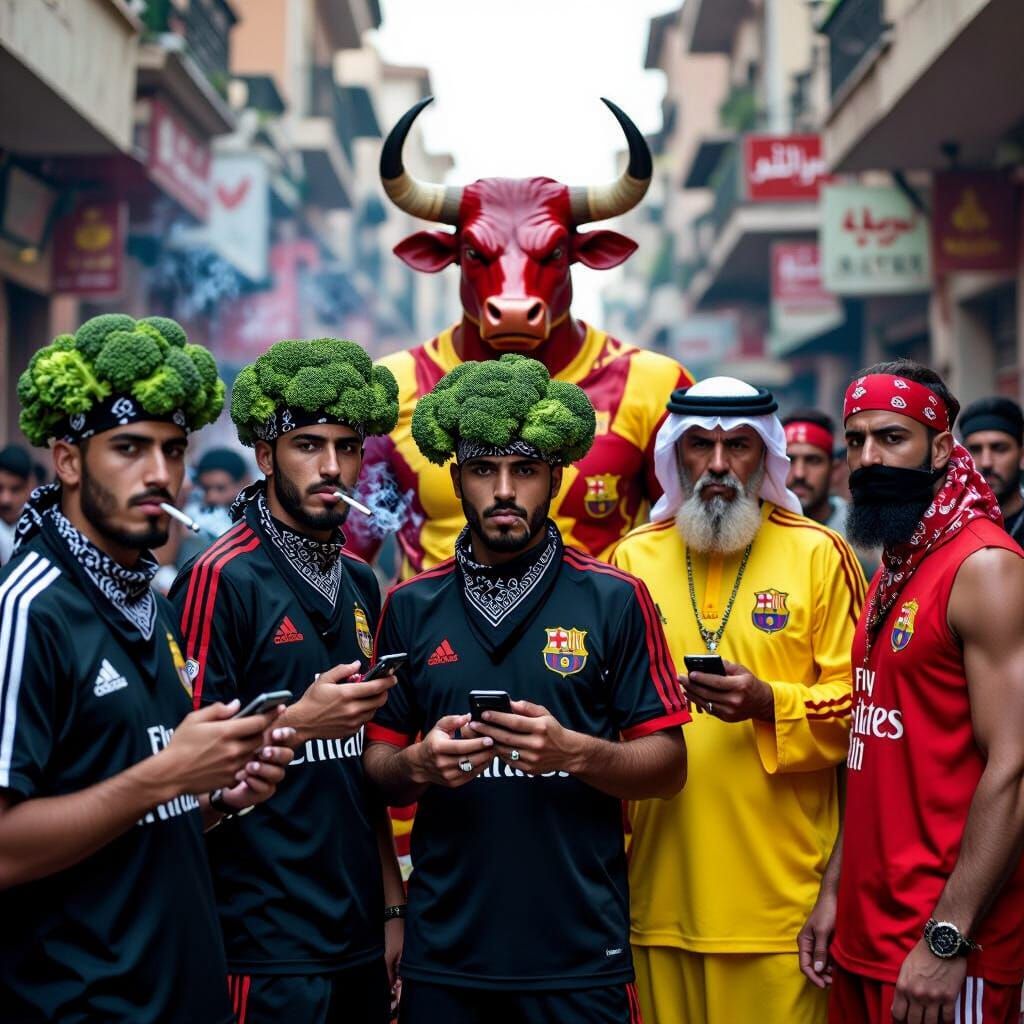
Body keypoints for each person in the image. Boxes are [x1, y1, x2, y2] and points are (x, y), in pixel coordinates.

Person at [363, 354, 689, 1024]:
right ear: (457, 479)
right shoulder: (410, 605)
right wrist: (420, 763)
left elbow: (669, 767)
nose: (505, 490)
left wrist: (573, 752)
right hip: (444, 952)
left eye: (526, 470)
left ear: (557, 478)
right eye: (484, 470)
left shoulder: (615, 598)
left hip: (580, 954)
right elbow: (378, 770)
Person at [0, 314, 294, 1022]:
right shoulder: (29, 609)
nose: (160, 474)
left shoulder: (150, 603)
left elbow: (136, 807)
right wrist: (169, 774)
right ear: (68, 461)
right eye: (128, 448)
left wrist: (219, 793)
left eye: (173, 450)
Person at [611, 377, 866, 1024]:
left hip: (785, 911)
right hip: (655, 902)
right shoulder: (629, 561)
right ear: (675, 453)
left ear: (766, 455)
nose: (719, 464)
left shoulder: (820, 554)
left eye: (739, 446)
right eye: (700, 445)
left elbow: (865, 712)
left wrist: (767, 702)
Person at [169, 338, 406, 1024]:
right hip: (261, 943)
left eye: (347, 448)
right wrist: (299, 722)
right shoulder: (220, 577)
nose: (332, 467)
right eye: (308, 445)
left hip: (357, 933)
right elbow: (180, 775)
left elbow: (360, 769)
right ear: (267, 456)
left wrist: (392, 907)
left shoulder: (360, 579)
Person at [800, 361, 1024, 1024]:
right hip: (865, 935)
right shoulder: (895, 566)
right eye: (857, 440)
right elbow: (873, 751)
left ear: (943, 447)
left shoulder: (984, 567)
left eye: (892, 437)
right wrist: (835, 890)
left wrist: (948, 935)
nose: (870, 458)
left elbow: (1014, 767)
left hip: (947, 953)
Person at [960, 395, 1024, 543]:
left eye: (999, 448)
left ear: (1022, 456)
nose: (986, 462)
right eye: (975, 450)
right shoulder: (948, 528)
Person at [0, 444, 34, 565]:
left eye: (15, 489)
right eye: (0, 489)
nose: (6, 499)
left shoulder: (39, 529)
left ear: (29, 486)